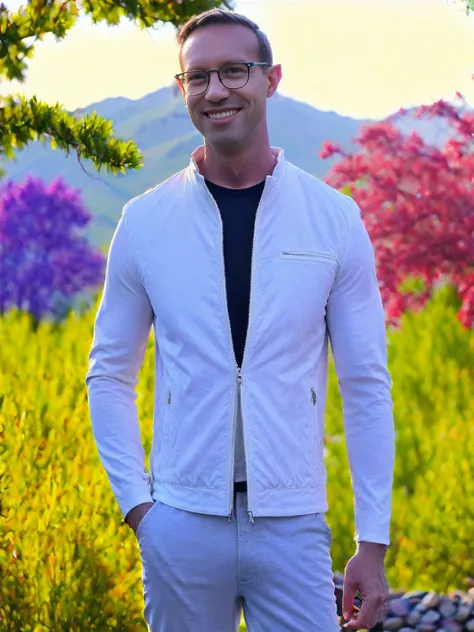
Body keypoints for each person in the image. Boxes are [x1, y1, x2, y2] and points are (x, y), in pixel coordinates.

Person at [85, 8, 395, 632]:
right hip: (179, 522)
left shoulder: (333, 219)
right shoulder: (145, 223)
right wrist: (141, 510)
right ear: (182, 90)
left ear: (271, 79)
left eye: (235, 71)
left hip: (293, 524)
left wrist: (373, 539)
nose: (217, 90)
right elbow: (109, 374)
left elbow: (365, 385)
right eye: (199, 77)